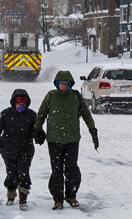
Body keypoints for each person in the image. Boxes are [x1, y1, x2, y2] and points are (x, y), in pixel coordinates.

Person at [35, 70, 98, 209]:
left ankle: (71, 196)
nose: (63, 86)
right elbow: (41, 114)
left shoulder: (75, 97)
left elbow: (86, 115)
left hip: (72, 140)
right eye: (61, 84)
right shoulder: (51, 96)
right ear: (57, 84)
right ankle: (58, 199)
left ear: (70, 84)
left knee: (71, 169)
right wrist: (37, 130)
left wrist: (93, 130)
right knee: (56, 171)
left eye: (66, 84)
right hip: (54, 141)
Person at [0, 88, 37, 209]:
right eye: (18, 103)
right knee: (11, 172)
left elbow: (36, 130)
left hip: (26, 149)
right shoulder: (5, 114)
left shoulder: (31, 115)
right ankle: (11, 195)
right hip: (8, 149)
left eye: (23, 103)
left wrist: (39, 135)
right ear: (13, 102)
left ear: (26, 103)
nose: (20, 105)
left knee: (23, 172)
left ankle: (23, 199)